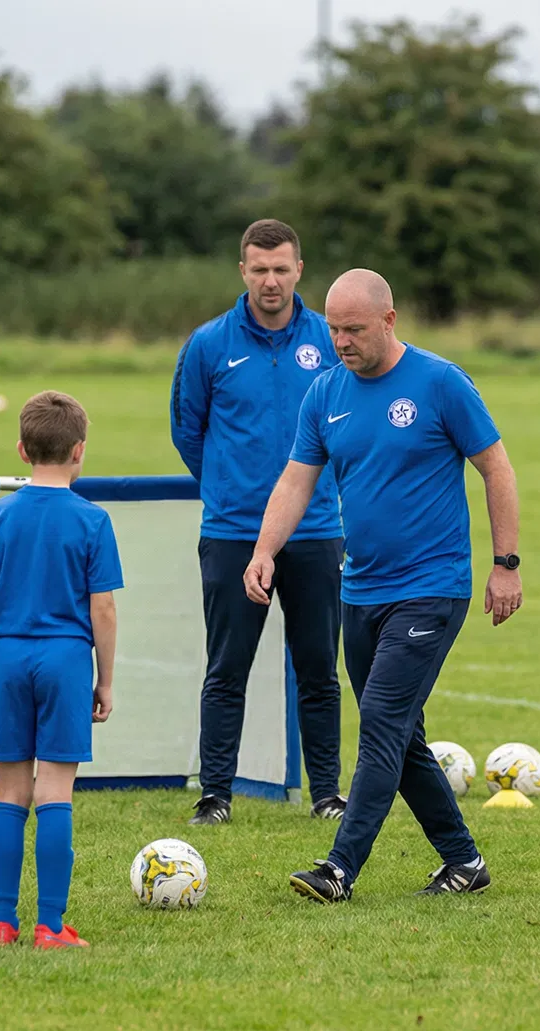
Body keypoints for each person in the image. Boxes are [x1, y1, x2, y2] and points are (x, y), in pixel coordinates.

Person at [253, 268, 523, 904]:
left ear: (389, 321)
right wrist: (265, 550)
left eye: (354, 329)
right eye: (333, 329)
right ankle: (464, 861)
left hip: (433, 585)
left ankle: (340, 868)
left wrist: (505, 562)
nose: (342, 341)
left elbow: (497, 468)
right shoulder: (323, 394)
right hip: (360, 590)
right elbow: (296, 482)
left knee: (379, 720)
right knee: (400, 738)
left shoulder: (440, 383)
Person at [170, 219, 346, 825]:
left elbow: (350, 421)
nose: (270, 281)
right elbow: (187, 431)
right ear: (242, 271)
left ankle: (327, 794)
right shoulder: (208, 345)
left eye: (281, 269)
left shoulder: (329, 339)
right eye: (259, 269)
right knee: (227, 668)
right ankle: (216, 794)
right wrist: (230, 486)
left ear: (300, 270)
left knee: (319, 667)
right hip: (232, 531)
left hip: (317, 530)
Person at [0, 391, 122, 949]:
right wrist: (103, 679)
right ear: (79, 451)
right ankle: (51, 926)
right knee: (55, 789)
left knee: (10, 791)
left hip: (8, 656)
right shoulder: (92, 519)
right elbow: (101, 608)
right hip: (63, 659)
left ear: (21, 449)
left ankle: (2, 923)